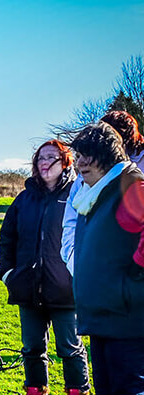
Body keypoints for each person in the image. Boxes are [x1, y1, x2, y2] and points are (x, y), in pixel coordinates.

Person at [68, 122, 144, 395]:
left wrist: (131, 278)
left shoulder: (131, 185)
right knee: (108, 392)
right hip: (101, 312)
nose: (78, 162)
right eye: (77, 155)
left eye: (84, 155)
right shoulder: (94, 192)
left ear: (105, 156)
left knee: (130, 394)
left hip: (128, 312)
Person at [0, 140, 90, 395]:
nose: (44, 163)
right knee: (32, 348)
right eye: (40, 158)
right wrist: (8, 274)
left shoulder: (77, 196)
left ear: (66, 162)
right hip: (28, 287)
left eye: (51, 157)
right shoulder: (24, 199)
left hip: (66, 289)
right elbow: (7, 239)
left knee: (69, 347)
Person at [61, 110, 144, 276]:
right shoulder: (83, 181)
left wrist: (135, 270)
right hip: (93, 281)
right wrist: (76, 263)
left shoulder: (134, 180)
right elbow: (71, 224)